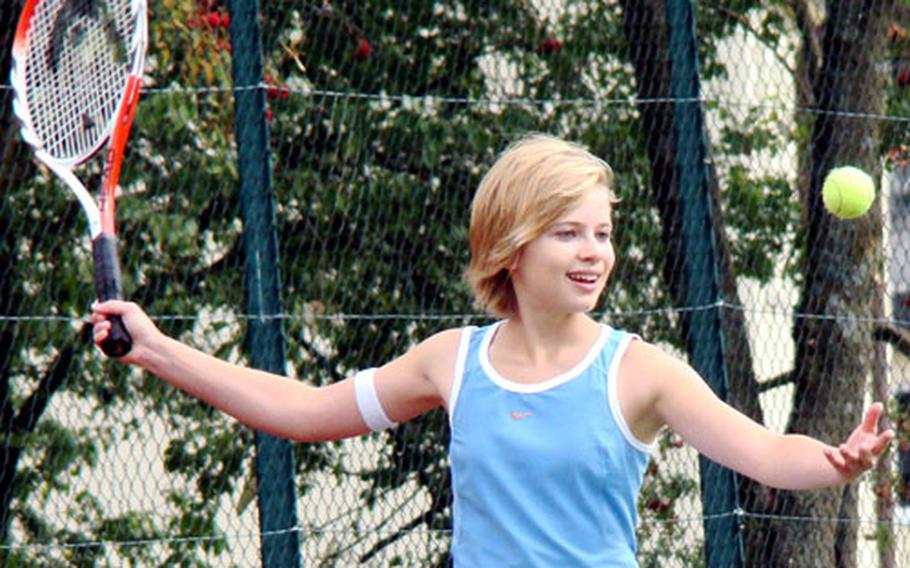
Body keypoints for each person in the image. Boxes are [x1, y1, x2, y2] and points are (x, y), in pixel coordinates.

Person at [91, 134, 894, 566]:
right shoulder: (452, 362)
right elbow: (303, 412)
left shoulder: (639, 370)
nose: (594, 252)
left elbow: (760, 452)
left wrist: (833, 461)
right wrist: (158, 350)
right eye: (568, 232)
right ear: (511, 246)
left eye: (604, 234)